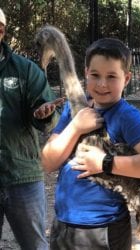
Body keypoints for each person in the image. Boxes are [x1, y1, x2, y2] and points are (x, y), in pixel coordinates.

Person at [41, 37, 140, 249]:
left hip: (103, 230)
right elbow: (48, 162)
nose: (102, 84)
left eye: (111, 76)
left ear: (127, 78)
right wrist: (75, 127)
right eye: (95, 75)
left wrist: (104, 163)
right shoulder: (74, 109)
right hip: (63, 225)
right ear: (86, 73)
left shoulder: (125, 116)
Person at [0, 8, 63, 250]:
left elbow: (47, 115)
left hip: (22, 174)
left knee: (35, 245)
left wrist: (43, 114)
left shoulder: (25, 70)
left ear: (1, 31)